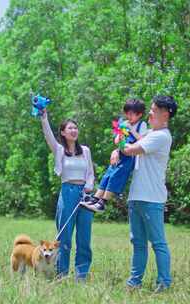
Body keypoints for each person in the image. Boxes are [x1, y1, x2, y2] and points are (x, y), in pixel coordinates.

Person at [120, 95, 177, 292]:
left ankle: (164, 283)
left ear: (165, 114)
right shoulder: (151, 134)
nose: (150, 114)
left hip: (151, 199)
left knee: (158, 243)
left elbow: (130, 150)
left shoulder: (161, 136)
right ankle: (134, 282)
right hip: (136, 196)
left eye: (153, 111)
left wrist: (120, 137)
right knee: (138, 243)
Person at [40, 109, 95, 280]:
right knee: (64, 237)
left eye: (76, 128)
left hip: (85, 195)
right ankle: (61, 274)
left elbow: (91, 173)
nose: (74, 130)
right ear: (63, 132)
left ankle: (81, 275)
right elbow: (48, 135)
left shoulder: (85, 150)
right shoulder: (59, 150)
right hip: (68, 192)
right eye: (70, 128)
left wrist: (89, 187)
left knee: (84, 238)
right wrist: (44, 118)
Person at [81, 98, 148, 213]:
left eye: (132, 114)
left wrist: (131, 129)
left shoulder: (142, 125)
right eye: (127, 113)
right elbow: (117, 141)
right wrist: (120, 136)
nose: (129, 116)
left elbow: (142, 140)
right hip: (121, 153)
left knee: (116, 176)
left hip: (131, 156)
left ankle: (103, 202)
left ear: (139, 114)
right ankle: (96, 198)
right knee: (108, 174)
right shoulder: (123, 124)